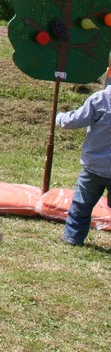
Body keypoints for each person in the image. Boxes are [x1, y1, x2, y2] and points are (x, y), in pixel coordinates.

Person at [55, 83, 111, 246]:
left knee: (81, 205)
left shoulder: (100, 99)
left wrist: (60, 118)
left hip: (94, 167)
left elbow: (75, 120)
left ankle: (73, 238)